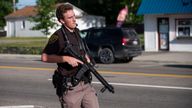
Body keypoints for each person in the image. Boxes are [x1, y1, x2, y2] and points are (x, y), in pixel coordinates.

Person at [41, 3, 99, 108]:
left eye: (74, 16)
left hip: (85, 83)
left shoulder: (76, 31)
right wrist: (65, 59)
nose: (74, 19)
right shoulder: (57, 36)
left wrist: (86, 56)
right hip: (71, 88)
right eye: (70, 17)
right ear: (61, 21)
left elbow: (81, 50)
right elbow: (44, 57)